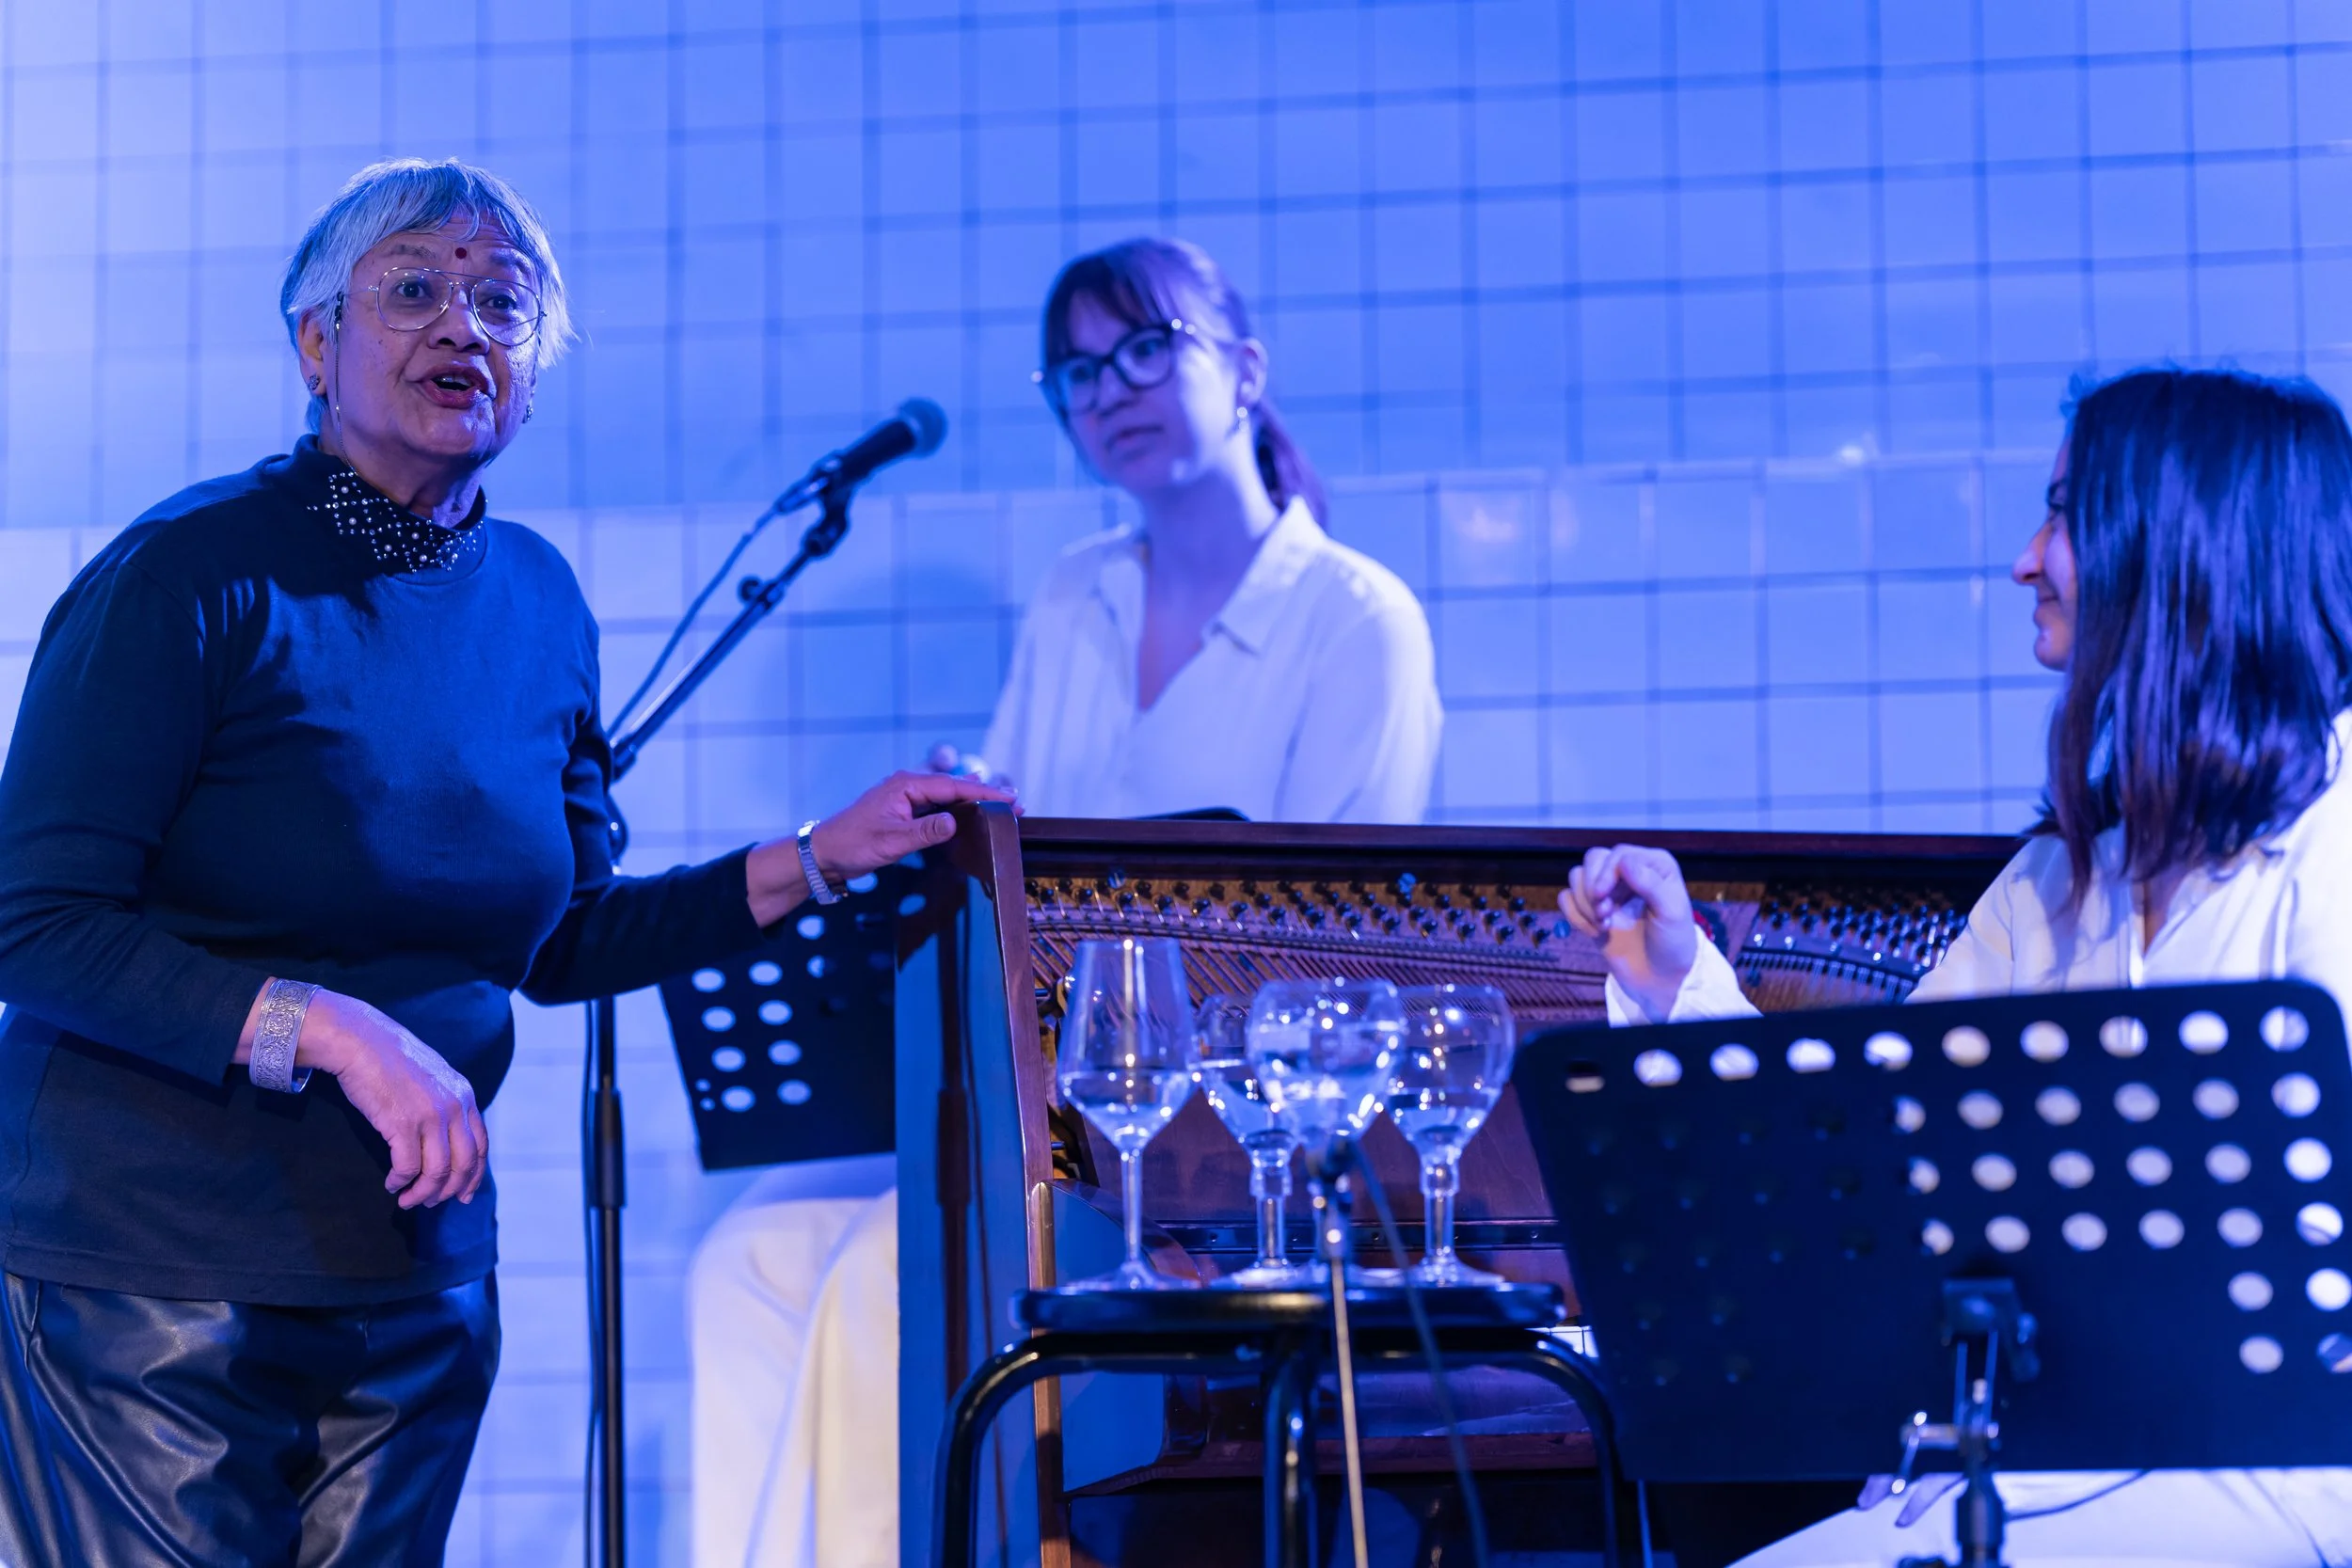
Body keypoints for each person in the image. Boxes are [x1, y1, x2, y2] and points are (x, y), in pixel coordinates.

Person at [0, 157, 1007, 1567]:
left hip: (415, 1279)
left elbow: (560, 944)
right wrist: (334, 1028)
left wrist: (814, 860)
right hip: (152, 1274)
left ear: (535, 368)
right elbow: (34, 923)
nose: (461, 326)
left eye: (503, 301)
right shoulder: (185, 575)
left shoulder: (538, 599)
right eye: (411, 288)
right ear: (314, 342)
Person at [687, 236, 1442, 1568]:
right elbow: (1014, 882)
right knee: (744, 1260)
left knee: (885, 1277)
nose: (1112, 387)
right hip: (1062, 1128)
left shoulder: (1355, 618)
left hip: (1233, 1156)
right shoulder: (1073, 595)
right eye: (1079, 371)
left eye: (1149, 348)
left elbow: (1337, 949)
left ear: (1246, 369)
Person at [1562, 367, 2352, 1567]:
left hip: (2277, 1470)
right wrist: (1679, 986)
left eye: (2064, 514)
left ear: (2180, 548)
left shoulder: (2335, 838)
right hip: (2034, 1465)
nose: (2027, 560)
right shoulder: (2064, 876)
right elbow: (1863, 1158)